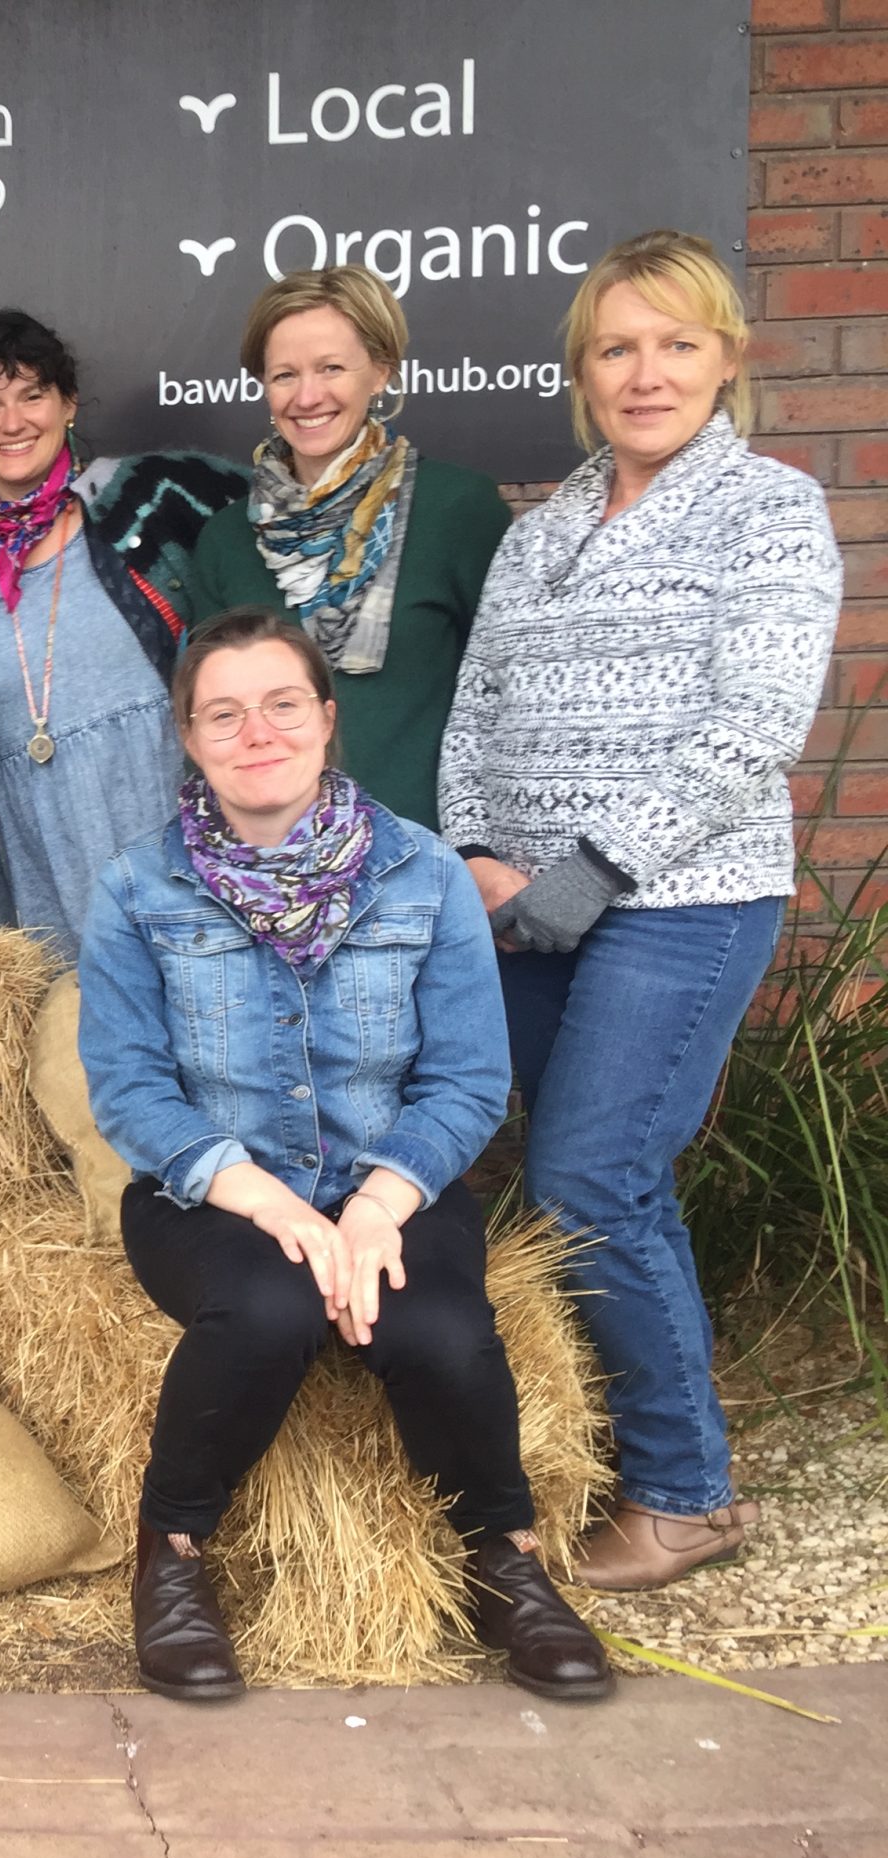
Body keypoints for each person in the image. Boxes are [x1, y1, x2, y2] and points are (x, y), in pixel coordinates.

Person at [80, 610, 611, 1704]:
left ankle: (502, 1559)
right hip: (210, 1194)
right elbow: (130, 1090)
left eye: (282, 704)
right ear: (189, 738)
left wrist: (375, 1206)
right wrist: (267, 1203)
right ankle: (170, 1556)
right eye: (222, 713)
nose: (255, 731)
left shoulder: (421, 876)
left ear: (326, 719)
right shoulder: (137, 887)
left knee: (442, 1330)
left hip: (395, 1182)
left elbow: (469, 1079)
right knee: (267, 1313)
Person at [440, 231, 842, 1592]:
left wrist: (592, 868)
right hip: (526, 908)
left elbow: (755, 727)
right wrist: (481, 851)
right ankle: (576, 1443)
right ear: (583, 372)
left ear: (726, 358)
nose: (646, 371)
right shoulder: (544, 529)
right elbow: (476, 708)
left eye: (676, 343)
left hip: (679, 902)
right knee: (502, 1147)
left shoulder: (768, 511)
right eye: (618, 346)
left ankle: (687, 1493)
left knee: (592, 1175)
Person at [0, 306, 245, 958]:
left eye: (32, 395)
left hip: (182, 850)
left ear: (69, 404)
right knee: (69, 1052)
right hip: (38, 878)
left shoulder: (154, 499)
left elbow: (278, 541)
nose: (12, 423)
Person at [184, 266, 513, 830]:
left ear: (381, 372)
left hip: (426, 863)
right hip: (274, 871)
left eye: (331, 368)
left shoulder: (458, 509)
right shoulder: (225, 541)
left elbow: (503, 700)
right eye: (285, 374)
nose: (308, 396)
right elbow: (215, 725)